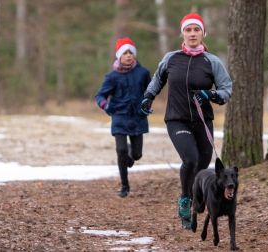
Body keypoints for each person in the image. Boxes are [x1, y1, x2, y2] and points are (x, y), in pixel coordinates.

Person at [140, 13, 232, 229]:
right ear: (183, 33)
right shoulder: (171, 58)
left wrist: (210, 95)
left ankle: (195, 199)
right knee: (190, 159)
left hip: (202, 120)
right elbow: (158, 79)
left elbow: (226, 89)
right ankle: (184, 200)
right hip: (176, 119)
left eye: (196, 30)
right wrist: (148, 97)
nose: (192, 34)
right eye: (188, 30)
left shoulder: (212, 61)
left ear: (203, 33)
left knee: (202, 164)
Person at [95, 37, 151, 198]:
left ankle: (131, 154)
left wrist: (147, 103)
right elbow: (100, 95)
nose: (128, 56)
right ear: (119, 56)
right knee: (121, 151)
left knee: (137, 155)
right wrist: (105, 105)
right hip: (119, 116)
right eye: (125, 53)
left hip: (138, 117)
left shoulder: (143, 73)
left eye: (131, 53)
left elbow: (150, 91)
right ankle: (125, 185)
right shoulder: (112, 76)